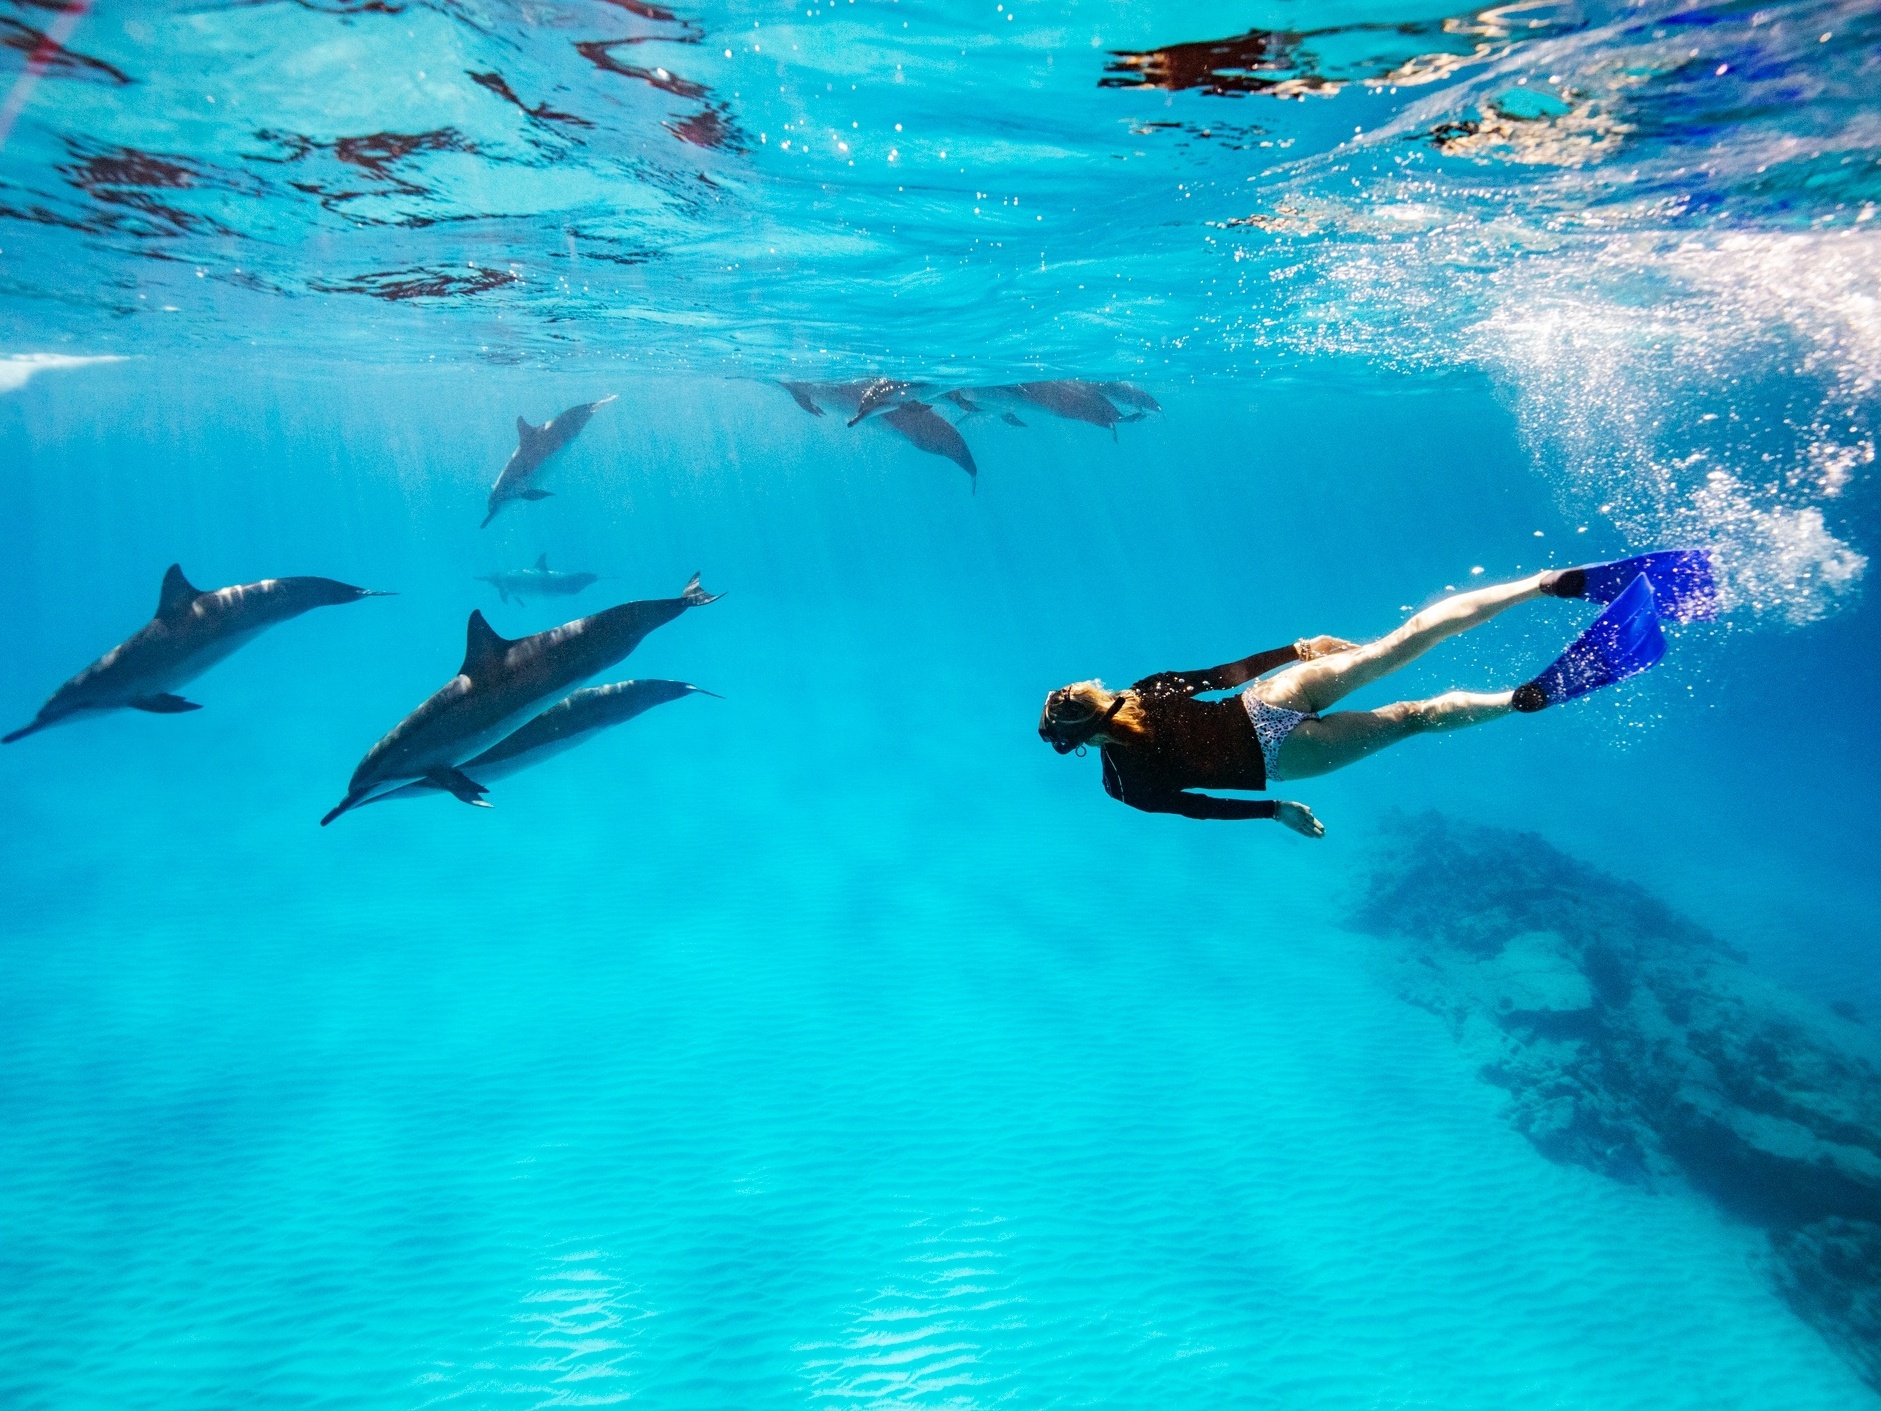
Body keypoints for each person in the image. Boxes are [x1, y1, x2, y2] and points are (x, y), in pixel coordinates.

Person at [1037, 551, 1714, 837]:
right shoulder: (1146, 691)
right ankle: (1543, 584)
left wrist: (1277, 811)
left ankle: (1519, 699)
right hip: (1266, 701)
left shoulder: (1122, 786)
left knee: (1414, 718)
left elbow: (1202, 807)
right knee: (1401, 642)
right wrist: (1298, 651)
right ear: (1093, 698)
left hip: (1281, 755)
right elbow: (1224, 675)